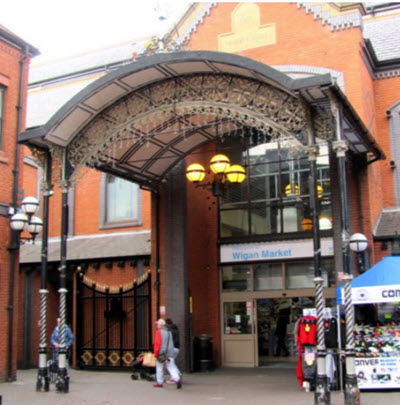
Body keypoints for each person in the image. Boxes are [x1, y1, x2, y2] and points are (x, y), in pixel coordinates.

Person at [153, 318, 182, 389]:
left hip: (161, 353)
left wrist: (156, 353)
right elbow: (171, 343)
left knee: (159, 367)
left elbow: (158, 344)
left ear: (160, 325)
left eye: (157, 325)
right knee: (171, 367)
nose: (157, 326)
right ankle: (177, 379)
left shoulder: (158, 332)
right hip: (169, 353)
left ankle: (159, 383)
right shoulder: (169, 333)